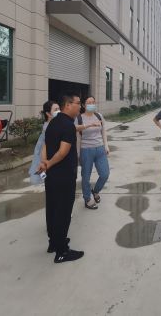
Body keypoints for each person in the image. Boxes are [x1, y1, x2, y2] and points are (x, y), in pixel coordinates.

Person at [38, 93, 84, 263]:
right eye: (78, 103)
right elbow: (63, 152)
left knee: (52, 209)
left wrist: (44, 163)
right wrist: (49, 163)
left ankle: (54, 242)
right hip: (64, 176)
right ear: (68, 105)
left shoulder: (53, 122)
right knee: (63, 213)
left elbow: (45, 145)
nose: (80, 106)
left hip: (51, 177)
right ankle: (62, 252)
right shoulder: (68, 125)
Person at [75, 96, 110, 210]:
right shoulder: (79, 118)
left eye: (93, 102)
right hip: (86, 150)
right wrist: (78, 153)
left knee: (105, 174)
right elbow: (78, 138)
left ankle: (95, 191)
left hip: (100, 149)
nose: (91, 104)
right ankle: (87, 199)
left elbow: (103, 131)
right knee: (86, 176)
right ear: (84, 105)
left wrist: (106, 145)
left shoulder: (99, 116)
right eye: (88, 102)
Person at [28, 100, 59, 185]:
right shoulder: (48, 128)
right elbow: (43, 148)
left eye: (59, 109)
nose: (58, 111)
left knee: (46, 176)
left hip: (46, 156)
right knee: (45, 176)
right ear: (48, 113)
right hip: (44, 156)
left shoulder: (53, 124)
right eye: (56, 109)